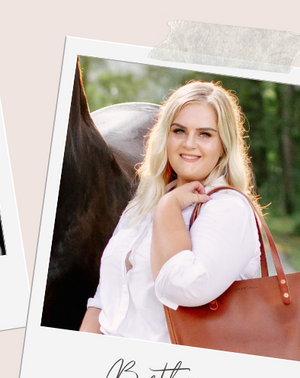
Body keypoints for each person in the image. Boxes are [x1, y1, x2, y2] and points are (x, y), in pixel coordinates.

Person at [79, 81, 262, 342]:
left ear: (224, 144)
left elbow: (182, 287)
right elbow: (103, 297)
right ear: (165, 136)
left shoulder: (228, 209)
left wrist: (169, 209)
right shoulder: (142, 205)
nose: (189, 144)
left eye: (205, 134)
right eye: (179, 131)